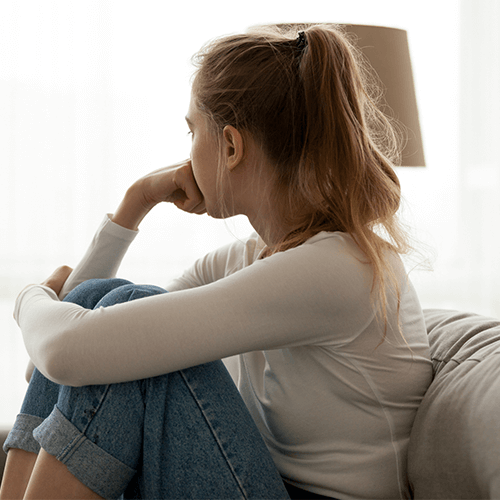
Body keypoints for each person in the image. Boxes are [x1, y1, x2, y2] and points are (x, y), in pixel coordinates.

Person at [0, 24, 432, 499]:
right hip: (259, 483)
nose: (186, 152)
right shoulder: (255, 257)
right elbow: (62, 360)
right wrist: (135, 204)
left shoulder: (336, 270)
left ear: (230, 146)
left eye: (192, 132)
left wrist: (29, 299)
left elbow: (66, 351)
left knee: (129, 322)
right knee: (112, 306)